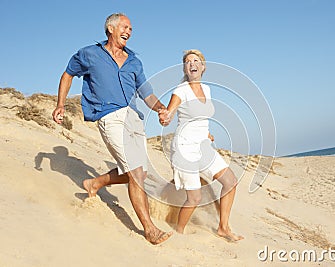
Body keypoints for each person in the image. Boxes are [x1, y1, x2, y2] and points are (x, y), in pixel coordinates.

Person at [52, 13, 172, 245]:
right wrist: (60, 104)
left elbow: (146, 93)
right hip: (109, 117)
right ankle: (150, 229)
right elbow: (68, 74)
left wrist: (160, 109)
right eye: (125, 27)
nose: (129, 31)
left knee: (139, 173)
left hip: (134, 119)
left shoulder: (134, 61)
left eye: (131, 28)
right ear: (111, 28)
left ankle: (94, 183)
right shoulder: (89, 54)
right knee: (136, 174)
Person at [159, 49, 244, 242]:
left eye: (196, 60)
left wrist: (205, 133)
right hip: (184, 147)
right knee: (194, 198)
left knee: (230, 182)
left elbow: (200, 117)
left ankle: (223, 227)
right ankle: (178, 232)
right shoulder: (180, 91)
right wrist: (165, 117)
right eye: (188, 61)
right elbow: (169, 114)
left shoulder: (207, 89)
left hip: (203, 146)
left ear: (203, 67)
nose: (192, 64)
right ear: (185, 68)